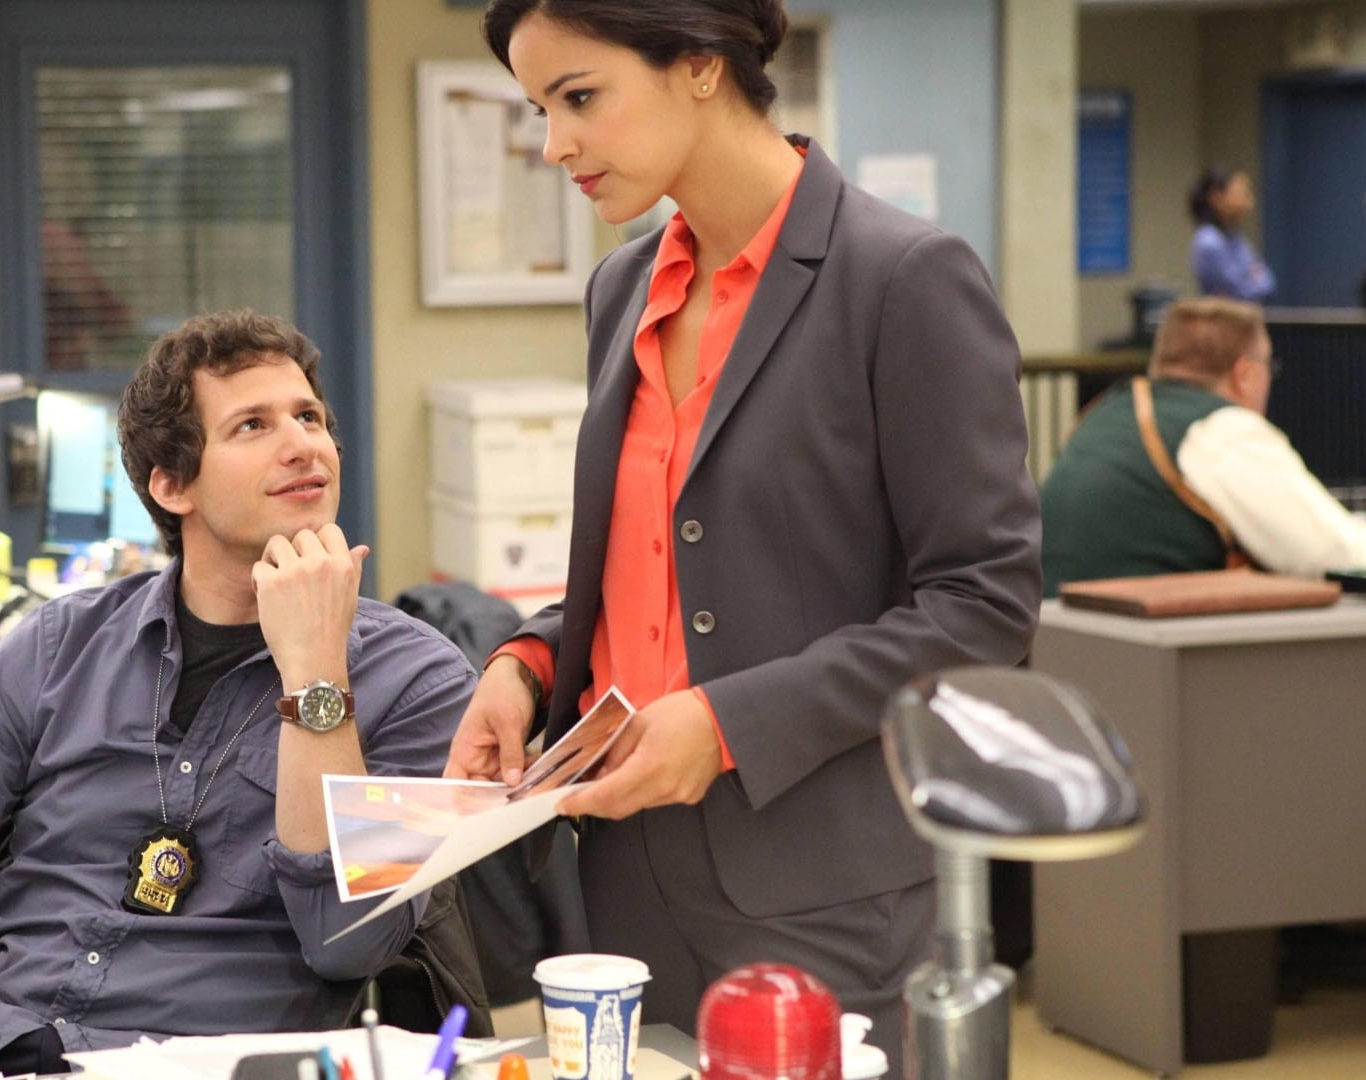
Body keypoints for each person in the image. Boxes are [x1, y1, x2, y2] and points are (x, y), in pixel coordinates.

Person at [444, 3, 1041, 1074]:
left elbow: (985, 607)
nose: (555, 145)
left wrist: (727, 724)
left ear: (700, 65)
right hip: (626, 873)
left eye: (579, 98)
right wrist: (529, 662)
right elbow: (654, 563)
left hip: (819, 886)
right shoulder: (623, 287)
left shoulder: (902, 277)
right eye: (540, 110)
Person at [0, 310, 476, 1074]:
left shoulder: (419, 681)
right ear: (172, 484)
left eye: (309, 417)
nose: (304, 443)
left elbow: (348, 941)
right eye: (253, 425)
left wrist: (315, 678)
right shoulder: (57, 647)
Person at [1041, 296, 1366, 595]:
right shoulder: (1219, 430)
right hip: (1143, 631)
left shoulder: (1103, 411)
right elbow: (1333, 554)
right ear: (1246, 374)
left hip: (1053, 624)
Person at [1189, 167, 1274, 302]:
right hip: (1223, 314)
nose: (1250, 203)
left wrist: (1253, 279)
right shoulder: (1208, 241)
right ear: (1216, 198)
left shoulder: (1236, 238)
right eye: (1243, 195)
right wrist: (1252, 276)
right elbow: (1238, 291)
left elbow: (1267, 282)